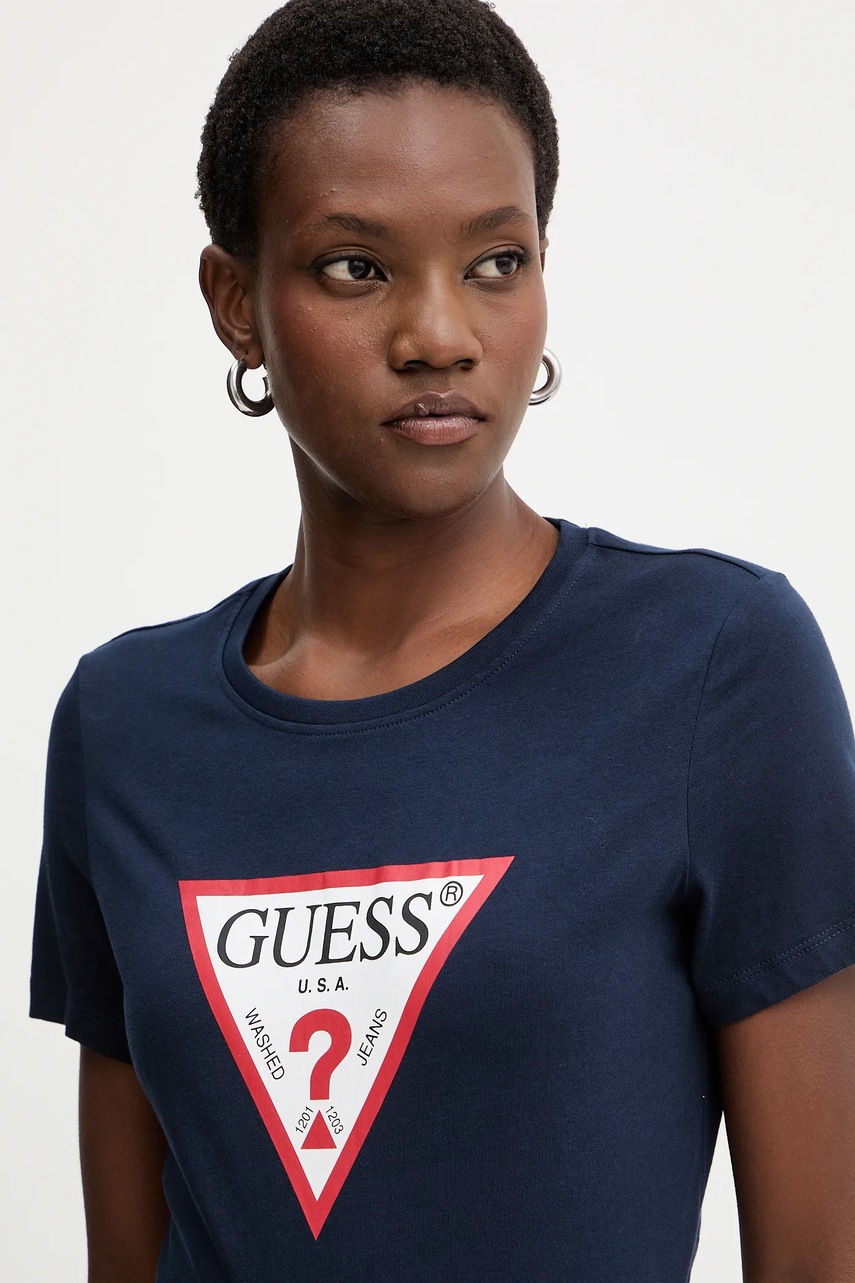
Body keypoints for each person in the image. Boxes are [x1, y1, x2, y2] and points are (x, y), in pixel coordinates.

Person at [28, 0, 855, 1279]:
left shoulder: (715, 666)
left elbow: (816, 1255)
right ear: (236, 301)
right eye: (355, 267)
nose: (440, 336)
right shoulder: (123, 722)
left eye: (496, 261)